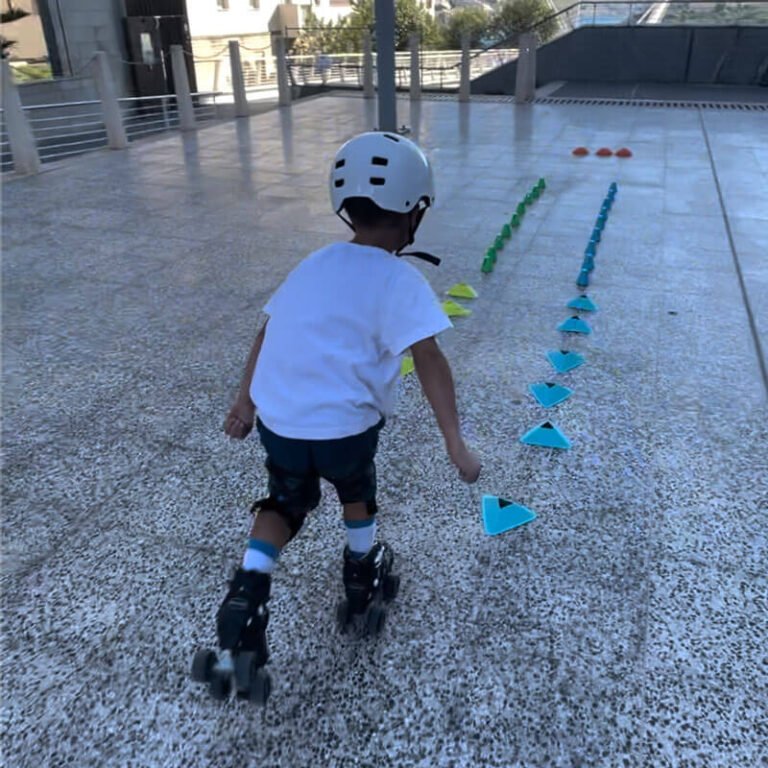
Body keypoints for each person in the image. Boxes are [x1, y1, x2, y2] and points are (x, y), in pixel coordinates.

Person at [211, 131, 480, 700]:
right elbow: (429, 359)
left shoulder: (313, 262)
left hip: (280, 422)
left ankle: (248, 588)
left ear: (345, 208)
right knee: (355, 489)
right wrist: (455, 443)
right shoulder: (401, 278)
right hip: (344, 430)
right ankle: (362, 570)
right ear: (415, 211)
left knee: (284, 501)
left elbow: (267, 330)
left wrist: (244, 401)